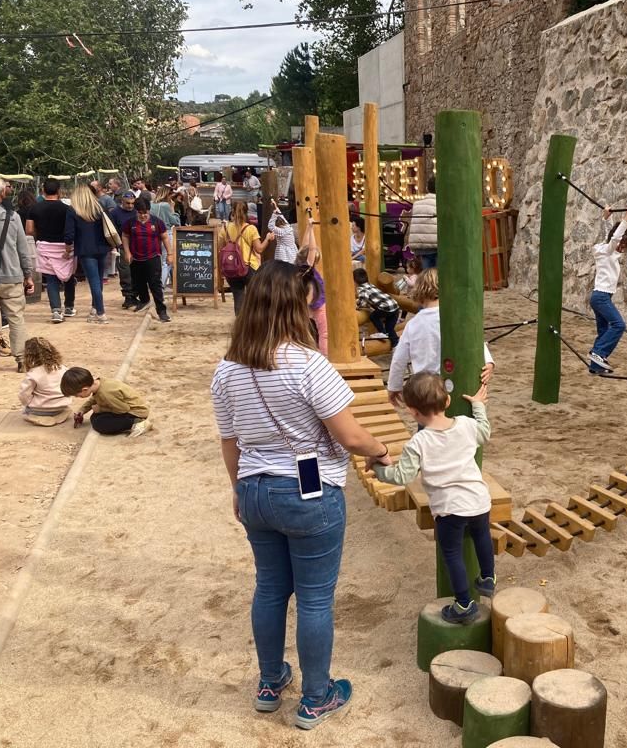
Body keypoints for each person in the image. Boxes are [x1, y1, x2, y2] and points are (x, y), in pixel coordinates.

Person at [210, 260, 394, 729]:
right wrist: (383, 449)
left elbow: (229, 440)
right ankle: (316, 697)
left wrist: (238, 490)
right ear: (298, 307)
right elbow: (351, 437)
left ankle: (270, 681)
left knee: (270, 588)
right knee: (314, 599)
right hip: (308, 488)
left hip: (254, 486)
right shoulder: (309, 364)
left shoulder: (227, 370)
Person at [373, 373, 496, 623]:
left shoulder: (419, 442)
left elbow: (401, 475)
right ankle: (488, 578)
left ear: (413, 412)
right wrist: (478, 406)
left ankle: (464, 604)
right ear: (448, 401)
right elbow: (484, 432)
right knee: (482, 535)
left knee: (451, 552)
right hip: (479, 499)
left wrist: (377, 469)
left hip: (450, 508)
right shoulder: (466, 424)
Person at [386, 269, 493, 408]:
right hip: (457, 386)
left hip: (425, 389)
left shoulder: (413, 325)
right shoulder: (458, 318)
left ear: (418, 291)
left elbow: (398, 360)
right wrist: (489, 362)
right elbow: (474, 340)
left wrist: (394, 386)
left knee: (429, 425)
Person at [0, 175, 34, 376]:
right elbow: (23, 249)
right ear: (2, 192)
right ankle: (22, 360)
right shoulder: (12, 217)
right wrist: (28, 275)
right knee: (16, 318)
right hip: (12, 274)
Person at [588, 205, 627, 375]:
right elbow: (614, 237)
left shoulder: (605, 249)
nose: (622, 247)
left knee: (603, 330)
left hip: (601, 296)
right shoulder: (608, 250)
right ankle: (599, 353)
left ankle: (596, 367)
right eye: (622, 243)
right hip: (600, 297)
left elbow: (609, 235)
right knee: (618, 325)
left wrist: (606, 218)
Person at [65, 184, 113, 324]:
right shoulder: (99, 208)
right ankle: (94, 308)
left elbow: (69, 234)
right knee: (98, 279)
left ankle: (100, 312)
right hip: (102, 247)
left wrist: (68, 249)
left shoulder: (73, 210)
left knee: (94, 282)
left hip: (85, 250)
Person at [28, 179, 75, 323]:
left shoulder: (34, 208)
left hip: (45, 247)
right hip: (64, 247)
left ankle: (55, 310)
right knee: (68, 277)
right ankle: (69, 307)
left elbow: (29, 230)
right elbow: (71, 229)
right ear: (59, 192)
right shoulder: (67, 209)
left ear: (43, 191)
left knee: (51, 279)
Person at [61, 366, 150, 436]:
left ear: (84, 389)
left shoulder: (106, 393)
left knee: (100, 424)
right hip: (122, 407)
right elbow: (94, 399)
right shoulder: (97, 384)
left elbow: (123, 409)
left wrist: (101, 409)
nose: (77, 397)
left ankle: (138, 423)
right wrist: (82, 410)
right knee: (95, 417)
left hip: (135, 411)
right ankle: (132, 422)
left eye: (77, 395)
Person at [123, 197, 172, 322]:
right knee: (138, 283)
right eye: (140, 213)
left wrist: (170, 254)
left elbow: (165, 237)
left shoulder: (157, 222)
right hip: (136, 258)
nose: (143, 216)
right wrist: (127, 252)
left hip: (153, 257)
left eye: (146, 213)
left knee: (155, 284)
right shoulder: (130, 223)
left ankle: (162, 311)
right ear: (136, 211)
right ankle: (144, 300)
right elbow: (125, 236)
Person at [219, 201, 271, 315]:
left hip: (231, 268)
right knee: (255, 298)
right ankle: (253, 325)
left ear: (232, 211)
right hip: (248, 267)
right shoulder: (250, 229)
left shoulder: (225, 228)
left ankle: (240, 326)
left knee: (238, 297)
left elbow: (221, 248)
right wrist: (267, 239)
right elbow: (259, 249)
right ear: (246, 212)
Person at [18, 337, 72, 426]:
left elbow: (24, 394)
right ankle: (59, 415)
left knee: (24, 411)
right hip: (61, 406)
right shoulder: (62, 368)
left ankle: (38, 417)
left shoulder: (33, 373)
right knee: (66, 409)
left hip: (40, 409)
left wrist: (28, 403)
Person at [353, 267, 399, 348]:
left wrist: (356, 306)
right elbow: (371, 298)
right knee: (389, 328)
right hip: (395, 306)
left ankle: (382, 333)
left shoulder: (361, 289)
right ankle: (396, 344)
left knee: (373, 316)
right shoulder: (370, 285)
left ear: (355, 281)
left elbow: (362, 302)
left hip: (386, 308)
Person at [108, 191, 138, 308]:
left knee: (137, 272)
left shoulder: (137, 212)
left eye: (132, 203)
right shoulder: (115, 213)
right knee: (125, 272)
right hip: (122, 246)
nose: (130, 206)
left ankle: (137, 295)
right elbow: (112, 231)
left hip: (137, 246)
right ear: (122, 202)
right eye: (127, 203)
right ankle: (128, 296)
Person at [297, 244, 327, 356]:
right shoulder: (308, 269)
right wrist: (310, 227)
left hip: (310, 304)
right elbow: (312, 249)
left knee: (310, 332)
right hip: (316, 305)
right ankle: (325, 356)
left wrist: (310, 230)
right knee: (324, 333)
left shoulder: (301, 268)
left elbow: (305, 247)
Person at [404, 176, 437, 269]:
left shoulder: (417, 204)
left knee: (425, 275)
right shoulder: (441, 203)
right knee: (438, 276)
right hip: (435, 245)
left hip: (420, 245)